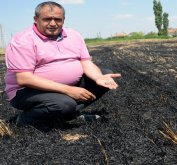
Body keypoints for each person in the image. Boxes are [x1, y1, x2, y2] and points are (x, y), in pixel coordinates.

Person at [4, 1, 121, 129]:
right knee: (64, 104)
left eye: (58, 19)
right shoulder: (23, 40)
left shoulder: (73, 35)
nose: (53, 23)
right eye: (47, 19)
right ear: (36, 19)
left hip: (62, 87)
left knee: (104, 76)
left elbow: (85, 62)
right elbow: (24, 79)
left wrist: (99, 77)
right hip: (26, 91)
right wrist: (69, 90)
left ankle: (68, 114)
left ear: (63, 20)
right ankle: (23, 120)